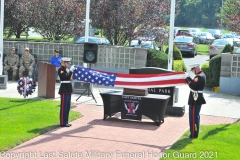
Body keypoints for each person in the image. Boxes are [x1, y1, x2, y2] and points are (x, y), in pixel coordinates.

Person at [186, 63, 206, 138]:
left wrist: (187, 79)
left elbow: (193, 85)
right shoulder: (200, 75)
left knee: (194, 118)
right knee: (194, 116)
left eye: (192, 70)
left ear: (196, 68)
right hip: (195, 98)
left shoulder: (200, 77)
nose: (192, 71)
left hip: (196, 99)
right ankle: (193, 133)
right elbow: (193, 82)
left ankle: (194, 134)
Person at [58, 57, 75, 127]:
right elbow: (66, 77)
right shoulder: (61, 69)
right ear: (63, 63)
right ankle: (62, 122)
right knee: (64, 107)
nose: (68, 64)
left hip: (68, 89)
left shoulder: (65, 69)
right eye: (67, 63)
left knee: (67, 107)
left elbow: (70, 78)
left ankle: (66, 121)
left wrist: (70, 71)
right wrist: (70, 71)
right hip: (64, 90)